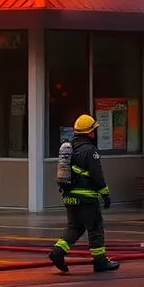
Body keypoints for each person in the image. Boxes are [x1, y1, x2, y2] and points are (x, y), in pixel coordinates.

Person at [48, 114, 119, 273]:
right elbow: (97, 175)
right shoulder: (89, 150)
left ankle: (57, 252)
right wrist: (105, 194)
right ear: (90, 133)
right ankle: (100, 261)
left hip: (69, 196)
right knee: (95, 227)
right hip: (86, 198)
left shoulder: (70, 148)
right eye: (94, 130)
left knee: (75, 227)